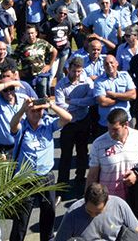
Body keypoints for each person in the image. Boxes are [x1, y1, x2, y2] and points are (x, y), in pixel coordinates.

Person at [9, 95, 72, 241]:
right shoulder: (22, 127)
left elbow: (67, 118)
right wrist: (22, 109)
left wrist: (51, 106)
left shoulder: (48, 124)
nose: (37, 114)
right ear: (27, 113)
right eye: (33, 111)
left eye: (40, 111)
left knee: (48, 214)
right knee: (21, 219)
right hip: (26, 179)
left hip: (46, 177)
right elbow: (13, 125)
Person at [87, 108, 138, 201]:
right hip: (109, 199)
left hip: (136, 197)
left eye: (115, 129)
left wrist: (136, 174)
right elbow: (93, 175)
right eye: (109, 129)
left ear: (126, 125)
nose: (111, 133)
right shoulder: (98, 144)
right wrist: (87, 200)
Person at [55, 56, 97, 195]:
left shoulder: (87, 82)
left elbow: (91, 100)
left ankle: (80, 180)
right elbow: (61, 105)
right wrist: (80, 103)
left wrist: (73, 101)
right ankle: (62, 185)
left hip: (83, 121)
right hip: (68, 124)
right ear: (68, 69)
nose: (76, 74)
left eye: (79, 71)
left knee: (82, 153)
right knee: (66, 155)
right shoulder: (61, 84)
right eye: (74, 71)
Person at [53, 183, 138, 241]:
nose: (92, 215)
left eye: (98, 213)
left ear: (107, 201)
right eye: (89, 211)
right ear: (85, 200)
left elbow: (136, 233)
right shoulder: (72, 214)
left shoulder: (119, 205)